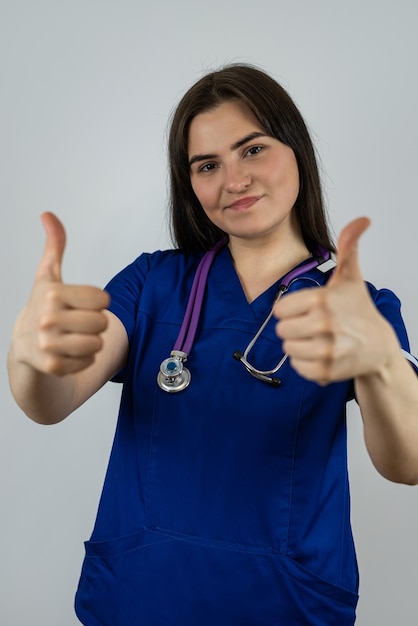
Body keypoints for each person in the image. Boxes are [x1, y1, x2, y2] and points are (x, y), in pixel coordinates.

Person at [7, 63, 418, 625]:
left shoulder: (357, 306)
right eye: (208, 165)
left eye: (253, 150)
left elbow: (409, 462)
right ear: (190, 183)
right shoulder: (151, 284)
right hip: (140, 600)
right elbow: (53, 398)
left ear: (295, 148)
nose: (234, 180)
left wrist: (379, 364)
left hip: (285, 607)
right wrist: (31, 358)